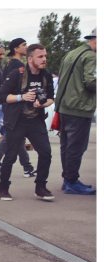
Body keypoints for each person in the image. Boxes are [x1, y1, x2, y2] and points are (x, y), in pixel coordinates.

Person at [0, 44, 55, 201]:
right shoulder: (18, 74)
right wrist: (22, 97)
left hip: (36, 121)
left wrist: (43, 104)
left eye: (45, 56)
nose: (44, 59)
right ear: (30, 59)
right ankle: (3, 188)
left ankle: (40, 187)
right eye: (40, 56)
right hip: (17, 121)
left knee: (46, 153)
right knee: (10, 156)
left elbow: (51, 98)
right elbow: (2, 96)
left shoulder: (46, 75)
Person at [0, 38, 36, 179]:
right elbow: (17, 86)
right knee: (10, 135)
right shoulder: (18, 65)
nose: (26, 47)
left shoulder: (8, 64)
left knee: (17, 136)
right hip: (14, 104)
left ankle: (27, 167)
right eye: (24, 45)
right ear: (16, 49)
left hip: (9, 104)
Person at [55, 28, 97, 195]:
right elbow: (91, 82)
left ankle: (68, 179)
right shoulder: (91, 56)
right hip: (79, 108)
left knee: (66, 146)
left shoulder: (71, 53)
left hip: (65, 106)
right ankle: (71, 181)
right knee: (76, 147)